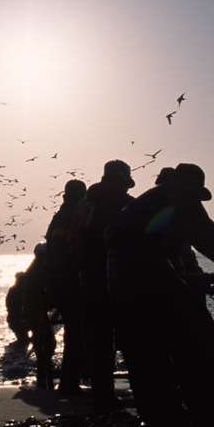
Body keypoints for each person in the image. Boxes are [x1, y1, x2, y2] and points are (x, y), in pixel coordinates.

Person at [106, 164, 214, 427]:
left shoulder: (151, 199)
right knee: (199, 335)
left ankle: (160, 420)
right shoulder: (180, 193)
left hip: (117, 271)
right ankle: (213, 416)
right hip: (143, 268)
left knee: (144, 346)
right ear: (192, 185)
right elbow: (210, 240)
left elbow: (161, 243)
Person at [69, 160, 135, 411]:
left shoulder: (82, 205)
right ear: (122, 181)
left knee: (97, 342)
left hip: (85, 280)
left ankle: (102, 396)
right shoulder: (126, 204)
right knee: (129, 338)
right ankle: (143, 390)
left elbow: (71, 241)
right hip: (113, 279)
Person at [44, 179, 88, 394]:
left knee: (73, 330)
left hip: (55, 283)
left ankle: (70, 380)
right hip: (70, 283)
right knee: (77, 332)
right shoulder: (78, 215)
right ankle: (70, 383)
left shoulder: (58, 216)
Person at [22, 243, 58, 387]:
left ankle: (43, 372)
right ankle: (44, 372)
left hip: (30, 312)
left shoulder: (32, 269)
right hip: (35, 312)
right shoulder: (39, 271)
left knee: (41, 342)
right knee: (47, 342)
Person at [6, 271, 32, 345]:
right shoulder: (17, 289)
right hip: (17, 318)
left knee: (23, 337)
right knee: (23, 337)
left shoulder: (18, 289)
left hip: (18, 318)